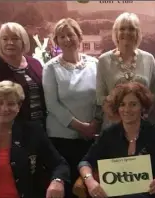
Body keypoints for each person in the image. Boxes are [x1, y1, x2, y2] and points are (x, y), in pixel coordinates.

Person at [78, 82, 155, 198]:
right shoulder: (109, 134)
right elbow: (85, 162)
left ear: (142, 107)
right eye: (122, 104)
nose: (127, 109)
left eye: (133, 104)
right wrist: (90, 182)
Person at [43, 18, 100, 198]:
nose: (67, 39)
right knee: (68, 190)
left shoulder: (95, 64)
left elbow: (101, 99)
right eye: (61, 36)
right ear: (56, 41)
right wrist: (82, 127)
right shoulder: (50, 68)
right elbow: (52, 105)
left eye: (70, 34)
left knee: (90, 187)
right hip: (62, 140)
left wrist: (95, 124)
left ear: (79, 36)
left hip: (92, 138)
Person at [0, 80, 70, 198]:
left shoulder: (33, 131)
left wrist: (57, 181)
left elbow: (60, 165)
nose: (5, 109)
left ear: (19, 107)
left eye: (11, 103)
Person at [97, 12, 155, 126]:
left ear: (137, 33)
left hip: (145, 125)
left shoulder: (149, 59)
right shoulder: (103, 60)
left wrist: (144, 113)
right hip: (114, 126)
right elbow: (100, 97)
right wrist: (117, 116)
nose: (126, 32)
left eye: (131, 29)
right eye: (122, 29)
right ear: (116, 33)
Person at [0, 22, 46, 125]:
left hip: (40, 128)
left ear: (23, 41)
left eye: (15, 39)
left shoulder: (35, 64)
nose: (10, 42)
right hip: (10, 131)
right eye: (5, 39)